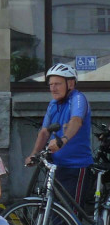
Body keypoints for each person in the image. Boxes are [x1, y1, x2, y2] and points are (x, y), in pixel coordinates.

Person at [27, 63, 94, 207]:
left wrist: (63, 140)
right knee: (55, 212)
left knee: (70, 213)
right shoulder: (53, 104)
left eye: (57, 84)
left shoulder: (77, 99)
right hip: (55, 167)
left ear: (70, 83)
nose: (53, 88)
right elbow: (44, 131)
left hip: (75, 167)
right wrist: (34, 153)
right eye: (50, 84)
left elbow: (76, 120)